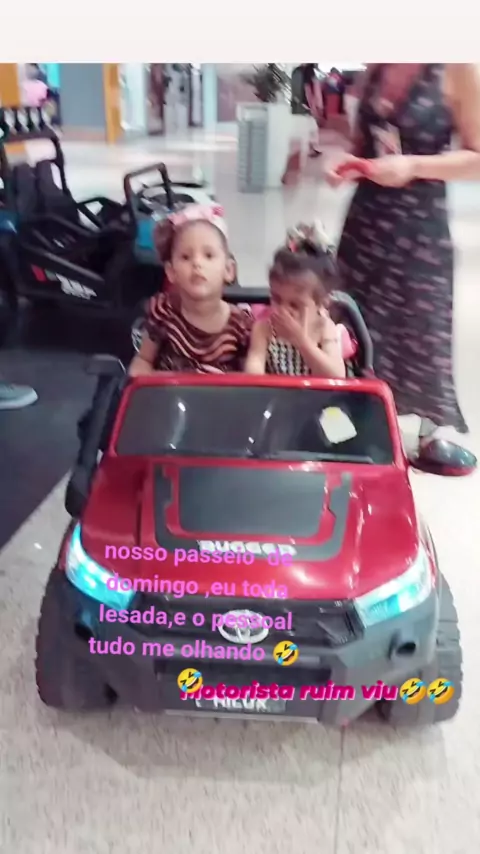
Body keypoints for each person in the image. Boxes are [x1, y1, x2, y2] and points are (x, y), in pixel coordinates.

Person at [326, 63, 480, 442]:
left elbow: (477, 159)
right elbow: (366, 142)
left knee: (419, 327)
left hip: (420, 227)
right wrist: (349, 161)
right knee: (355, 322)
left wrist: (413, 166)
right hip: (366, 221)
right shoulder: (377, 66)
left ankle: (430, 427)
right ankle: (356, 417)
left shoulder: (456, 68)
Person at [129, 205, 252, 377]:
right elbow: (143, 361)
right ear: (171, 272)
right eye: (186, 257)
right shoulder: (164, 312)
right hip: (169, 392)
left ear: (229, 270)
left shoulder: (241, 325)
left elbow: (250, 381)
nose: (197, 264)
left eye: (208, 255)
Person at [244, 223, 345, 378]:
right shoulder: (263, 329)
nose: (283, 310)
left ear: (321, 303)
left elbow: (336, 376)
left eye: (295, 305)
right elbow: (253, 373)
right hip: (274, 393)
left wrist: (302, 342)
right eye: (277, 299)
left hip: (316, 393)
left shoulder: (324, 328)